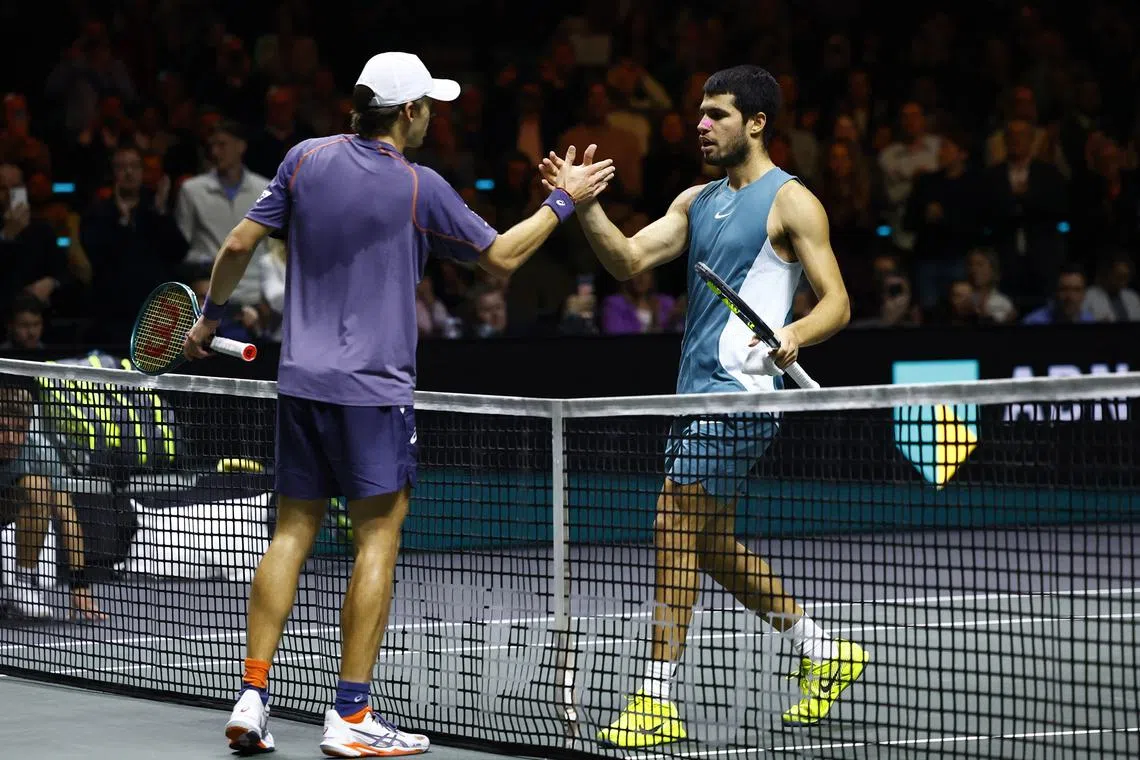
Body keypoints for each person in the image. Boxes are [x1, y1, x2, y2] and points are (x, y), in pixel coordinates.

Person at [180, 51, 614, 757]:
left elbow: (235, 242)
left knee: (291, 532)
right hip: (373, 393)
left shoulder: (303, 158)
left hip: (301, 384)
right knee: (376, 539)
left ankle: (253, 696)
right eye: (429, 106)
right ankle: (350, 715)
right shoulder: (420, 186)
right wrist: (562, 200)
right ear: (408, 112)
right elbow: (500, 258)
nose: (433, 117)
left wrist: (208, 318)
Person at [541, 64, 866, 748]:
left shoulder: (793, 202)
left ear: (755, 123)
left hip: (742, 397)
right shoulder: (697, 200)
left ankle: (657, 694)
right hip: (694, 396)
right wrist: (583, 205)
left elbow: (837, 301)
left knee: (672, 522)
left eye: (716, 114)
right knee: (710, 545)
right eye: (700, 114)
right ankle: (825, 651)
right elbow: (628, 260)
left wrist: (796, 333)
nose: (701, 125)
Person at [0, 386, 104, 621]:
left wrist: (79, 585)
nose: (10, 439)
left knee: (37, 486)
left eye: (19, 430)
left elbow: (67, 515)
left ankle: (22, 585)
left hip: (9, 514)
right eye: (2, 429)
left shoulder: (40, 450)